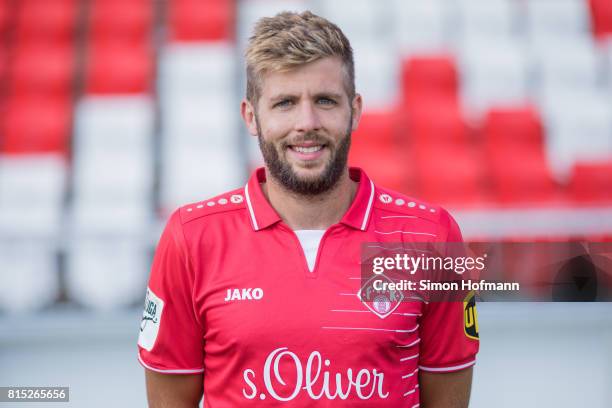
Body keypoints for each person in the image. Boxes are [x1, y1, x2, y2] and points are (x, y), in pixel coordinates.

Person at [138, 10, 479, 407]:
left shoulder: (430, 236)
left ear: (355, 110)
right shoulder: (192, 238)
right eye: (284, 103)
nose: (307, 122)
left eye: (325, 101)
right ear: (252, 116)